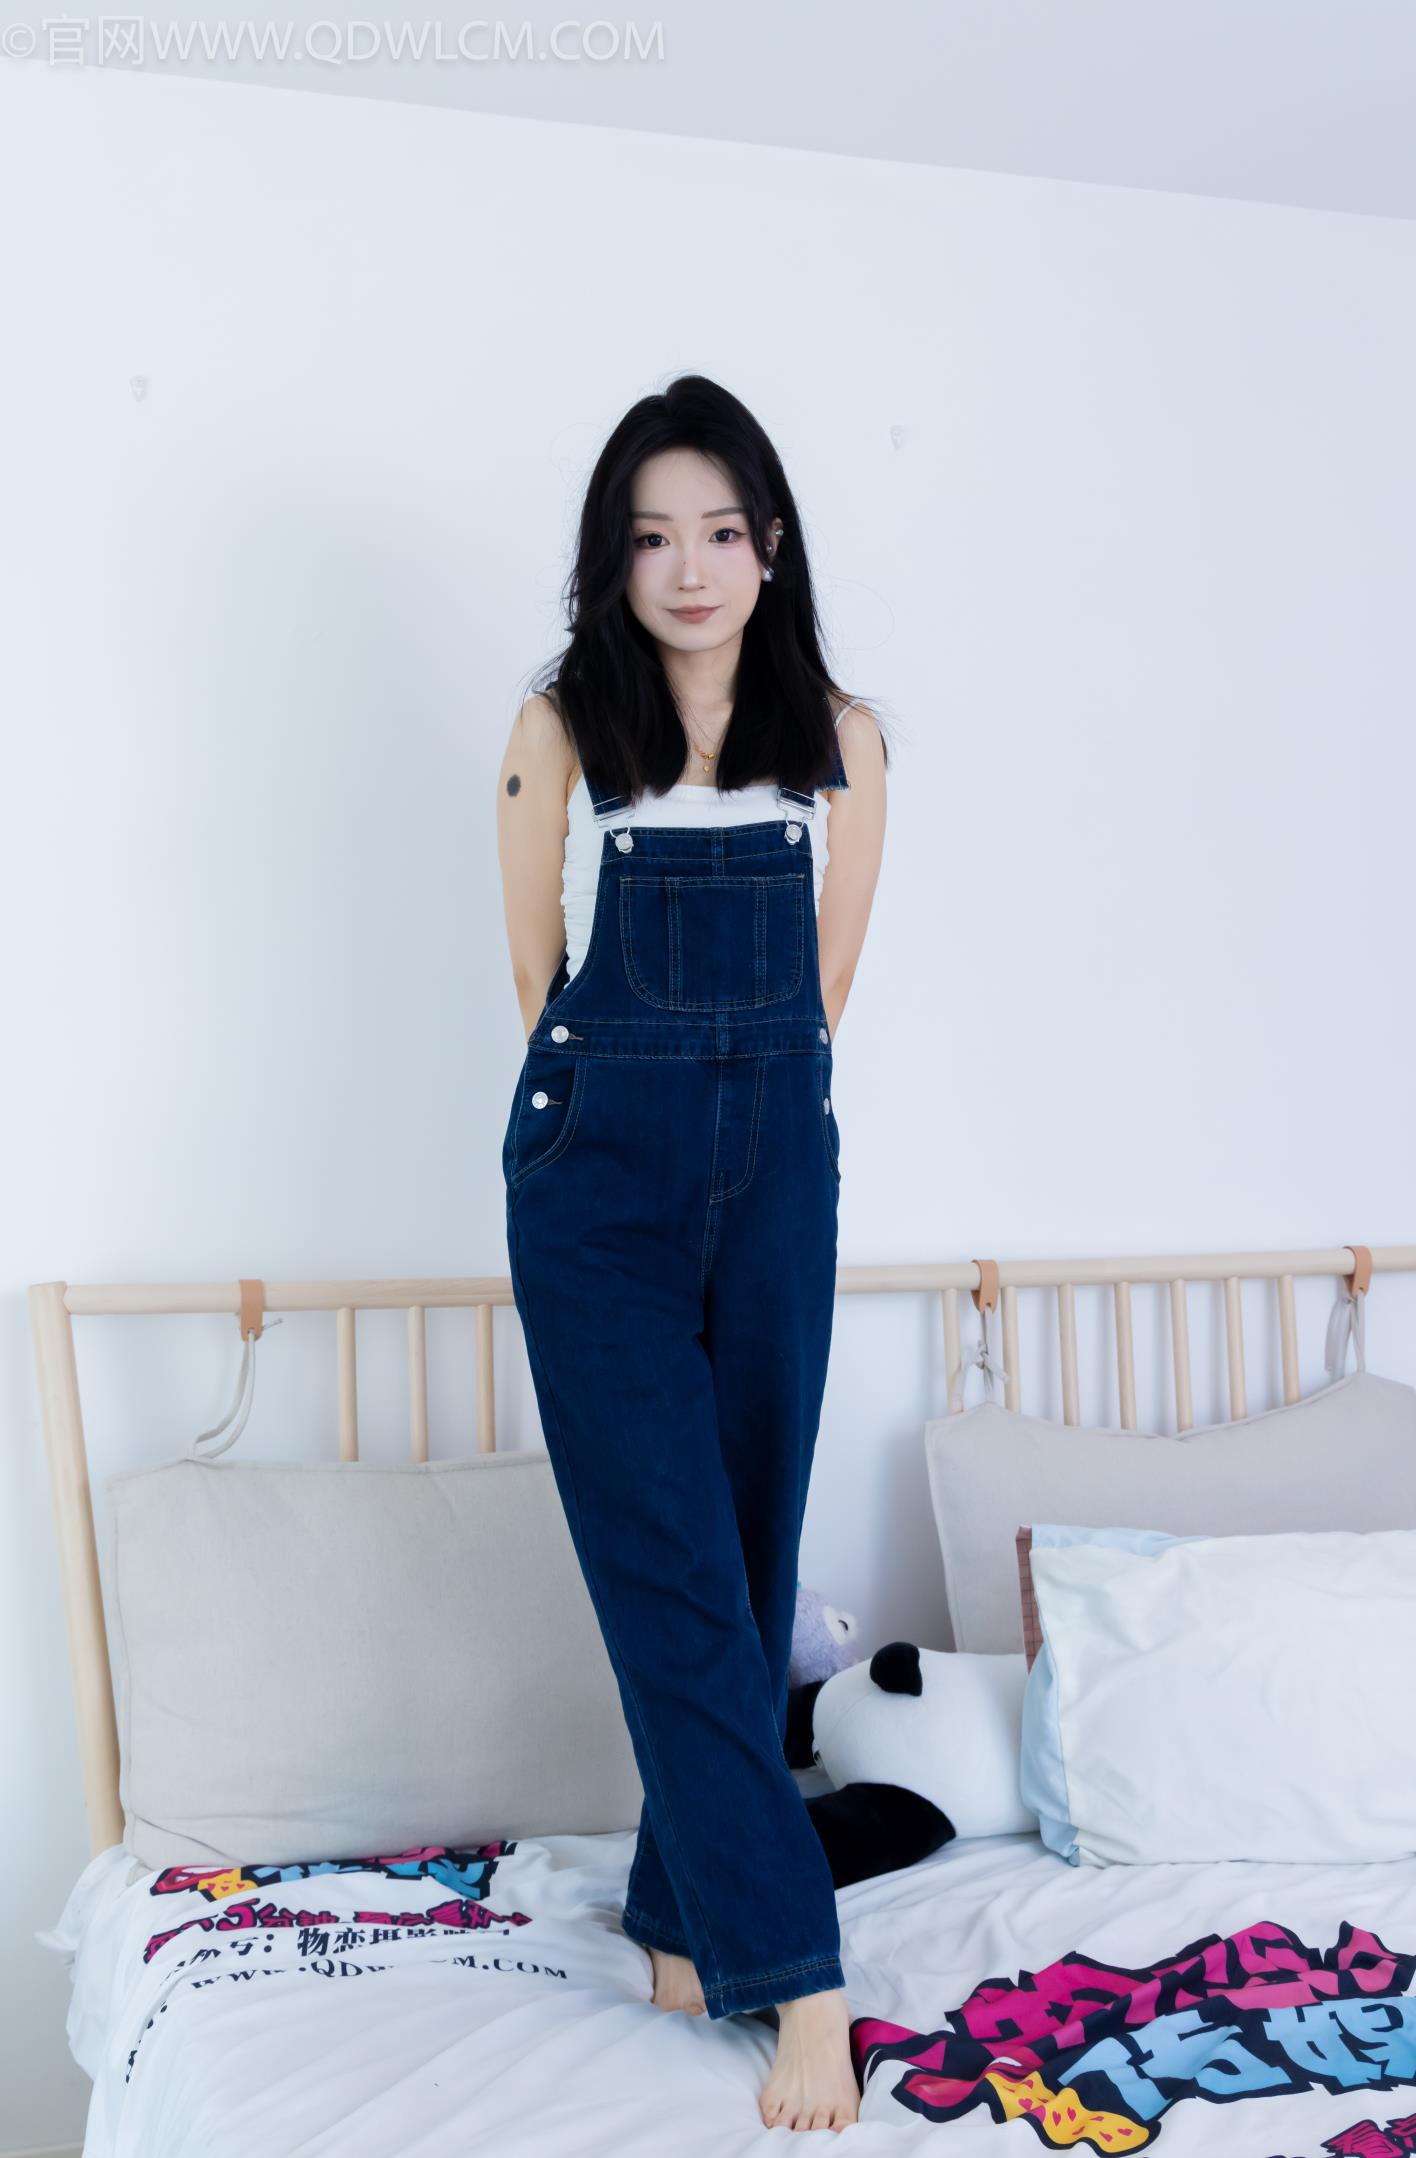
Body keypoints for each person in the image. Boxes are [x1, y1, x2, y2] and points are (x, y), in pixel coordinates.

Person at [496, 374, 887, 2132]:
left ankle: (675, 1915)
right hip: (600, 1187)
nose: (690, 568)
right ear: (615, 558)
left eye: (721, 531)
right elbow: (538, 981)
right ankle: (800, 1974)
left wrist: (742, 1117)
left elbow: (827, 992)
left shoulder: (845, 740)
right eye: (652, 537)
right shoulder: (562, 725)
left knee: (741, 1555)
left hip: (778, 1165)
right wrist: (630, 1117)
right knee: (668, 1568)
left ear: (770, 544)